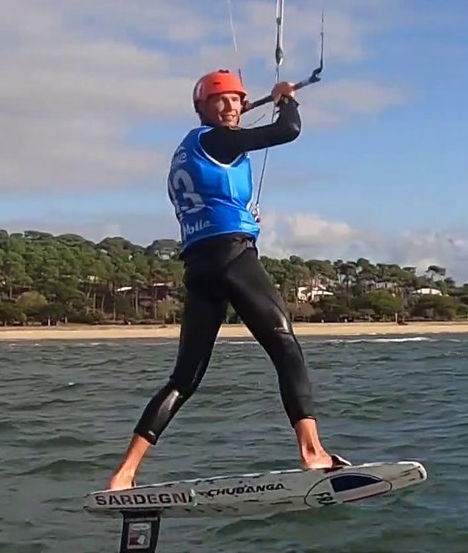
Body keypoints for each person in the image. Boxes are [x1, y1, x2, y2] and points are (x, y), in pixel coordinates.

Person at [105, 69, 346, 491]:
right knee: (285, 346)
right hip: (231, 258)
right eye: (221, 101)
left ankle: (124, 473)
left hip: (199, 268)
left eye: (237, 100)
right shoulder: (216, 138)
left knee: (184, 379)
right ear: (202, 108)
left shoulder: (187, 151)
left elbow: (208, 199)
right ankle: (313, 452)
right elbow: (288, 131)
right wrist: (286, 97)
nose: (232, 107)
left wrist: (243, 218)